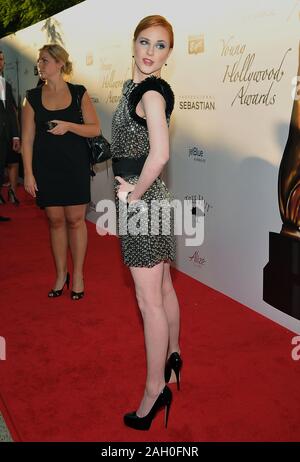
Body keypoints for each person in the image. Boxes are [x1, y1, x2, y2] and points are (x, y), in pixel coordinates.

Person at [111, 15, 182, 430]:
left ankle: (155, 391)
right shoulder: (134, 89)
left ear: (169, 54)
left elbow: (160, 155)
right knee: (165, 287)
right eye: (145, 41)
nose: (151, 52)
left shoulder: (152, 94)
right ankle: (174, 358)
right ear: (133, 43)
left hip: (143, 204)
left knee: (147, 301)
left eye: (160, 45)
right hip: (151, 201)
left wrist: (132, 197)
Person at [22, 44, 100, 299]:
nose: (40, 65)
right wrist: (29, 174)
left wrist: (69, 125)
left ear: (59, 63)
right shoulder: (32, 97)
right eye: (39, 61)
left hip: (75, 166)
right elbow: (26, 140)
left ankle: (77, 275)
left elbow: (94, 129)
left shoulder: (79, 93)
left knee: (76, 221)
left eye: (44, 60)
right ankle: (60, 274)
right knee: (55, 222)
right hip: (46, 168)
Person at [0, 50, 21, 219]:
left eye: (1, 59)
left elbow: (11, 111)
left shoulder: (4, 83)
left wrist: (15, 135)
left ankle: (12, 193)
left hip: (6, 136)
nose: (0, 62)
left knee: (10, 163)